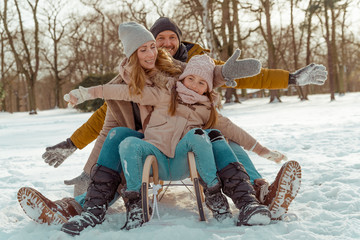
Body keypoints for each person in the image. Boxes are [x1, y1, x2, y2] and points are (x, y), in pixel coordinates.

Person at [41, 16, 325, 196]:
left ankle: (260, 189)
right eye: (157, 40)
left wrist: (291, 78)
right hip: (149, 143)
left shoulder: (197, 68)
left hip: (193, 135)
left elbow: (249, 75)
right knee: (118, 141)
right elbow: (103, 120)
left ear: (179, 40)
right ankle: (78, 205)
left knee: (223, 137)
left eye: (170, 38)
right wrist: (70, 144)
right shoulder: (129, 80)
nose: (164, 44)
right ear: (143, 48)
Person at [60, 46, 283, 233]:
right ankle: (134, 205)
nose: (194, 85)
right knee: (127, 142)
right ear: (182, 78)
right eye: (190, 79)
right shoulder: (164, 94)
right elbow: (125, 92)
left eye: (201, 83)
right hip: (153, 157)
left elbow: (234, 131)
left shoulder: (206, 110)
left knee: (205, 135)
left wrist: (263, 150)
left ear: (208, 88)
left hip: (183, 161)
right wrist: (89, 92)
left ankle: (222, 198)